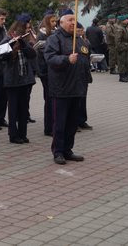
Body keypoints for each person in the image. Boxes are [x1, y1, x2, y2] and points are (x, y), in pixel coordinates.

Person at [43, 10, 92, 165]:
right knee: (60, 123)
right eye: (70, 20)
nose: (73, 22)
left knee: (72, 123)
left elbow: (84, 56)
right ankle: (58, 151)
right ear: (61, 22)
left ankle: (68, 149)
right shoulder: (54, 39)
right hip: (61, 88)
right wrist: (66, 59)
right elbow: (50, 58)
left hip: (77, 87)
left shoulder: (78, 39)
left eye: (74, 20)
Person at [0, 14, 36, 144]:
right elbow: (0, 56)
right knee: (13, 109)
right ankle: (13, 135)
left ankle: (23, 133)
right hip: (12, 79)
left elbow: (33, 54)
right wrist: (12, 46)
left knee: (23, 108)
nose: (28, 30)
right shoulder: (7, 39)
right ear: (20, 28)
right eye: (26, 28)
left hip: (25, 79)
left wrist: (23, 44)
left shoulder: (25, 40)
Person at [36, 13, 56, 136]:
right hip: (45, 71)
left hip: (52, 71)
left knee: (53, 99)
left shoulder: (54, 33)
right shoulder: (42, 34)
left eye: (55, 21)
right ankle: (48, 128)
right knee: (49, 99)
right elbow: (45, 52)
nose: (54, 24)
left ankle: (54, 125)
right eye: (52, 21)